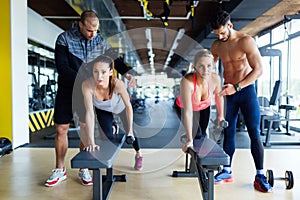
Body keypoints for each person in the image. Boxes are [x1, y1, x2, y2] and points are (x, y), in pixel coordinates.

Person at [45, 10, 136, 187]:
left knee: (85, 127)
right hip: (67, 88)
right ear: (80, 24)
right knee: (61, 129)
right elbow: (62, 67)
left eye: (95, 31)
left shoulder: (99, 41)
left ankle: (84, 167)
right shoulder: (64, 39)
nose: (92, 34)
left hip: (86, 89)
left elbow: (114, 60)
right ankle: (59, 169)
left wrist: (127, 73)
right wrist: (84, 80)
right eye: (89, 30)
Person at [210, 10, 272, 192]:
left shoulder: (245, 41)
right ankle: (227, 170)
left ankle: (260, 175)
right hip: (228, 94)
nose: (220, 37)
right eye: (217, 34)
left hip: (245, 92)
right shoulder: (216, 46)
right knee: (228, 131)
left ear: (230, 26)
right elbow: (210, 70)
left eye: (222, 32)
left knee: (254, 132)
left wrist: (237, 87)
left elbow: (259, 70)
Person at [80, 55, 143, 170]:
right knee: (107, 136)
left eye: (103, 72)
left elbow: (129, 107)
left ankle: (139, 154)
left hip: (120, 108)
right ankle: (113, 126)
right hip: (102, 109)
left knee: (132, 131)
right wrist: (91, 142)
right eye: (96, 72)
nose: (99, 76)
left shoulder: (117, 84)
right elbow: (89, 113)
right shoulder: (87, 85)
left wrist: (129, 132)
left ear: (110, 72)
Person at [173, 49, 225, 152]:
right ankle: (189, 139)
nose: (205, 70)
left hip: (204, 107)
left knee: (203, 135)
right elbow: (187, 112)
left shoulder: (215, 79)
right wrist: (189, 139)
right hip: (184, 107)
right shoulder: (187, 82)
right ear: (194, 66)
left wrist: (221, 115)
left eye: (209, 66)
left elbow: (219, 96)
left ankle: (199, 163)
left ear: (213, 65)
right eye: (201, 66)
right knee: (196, 134)